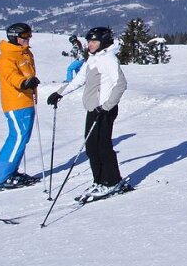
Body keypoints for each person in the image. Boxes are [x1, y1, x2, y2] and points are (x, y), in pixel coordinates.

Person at [47, 25, 130, 202]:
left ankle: (112, 181)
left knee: (102, 146)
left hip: (104, 110)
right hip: (94, 109)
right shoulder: (93, 58)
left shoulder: (108, 59)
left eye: (94, 41)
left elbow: (121, 84)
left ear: (104, 42)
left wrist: (107, 106)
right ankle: (99, 180)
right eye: (89, 41)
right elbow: (80, 79)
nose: (90, 44)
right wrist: (60, 93)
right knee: (91, 147)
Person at [0, 23, 40, 192]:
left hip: (27, 101)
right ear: (15, 37)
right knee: (17, 139)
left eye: (29, 35)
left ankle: (11, 171)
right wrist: (24, 83)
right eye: (25, 36)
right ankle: (0, 177)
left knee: (22, 139)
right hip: (16, 103)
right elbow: (11, 76)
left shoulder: (24, 53)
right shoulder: (6, 57)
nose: (28, 39)